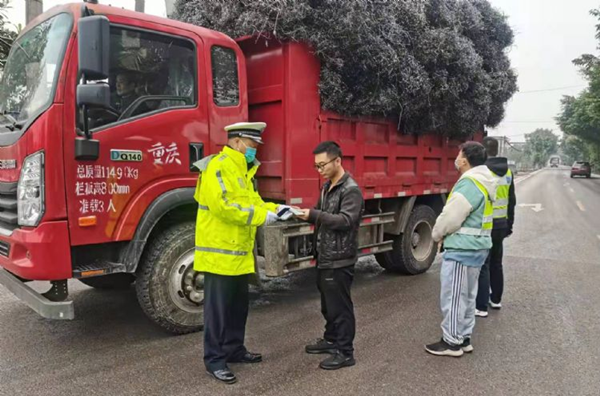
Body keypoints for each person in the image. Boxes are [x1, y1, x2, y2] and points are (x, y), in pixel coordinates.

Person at [193, 122, 291, 384]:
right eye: (252, 145)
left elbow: (253, 203)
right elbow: (225, 206)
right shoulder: (218, 166)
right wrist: (263, 216)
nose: (255, 150)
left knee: (238, 307)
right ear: (236, 142)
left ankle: (234, 349)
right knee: (218, 312)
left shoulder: (244, 172)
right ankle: (214, 360)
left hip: (238, 256)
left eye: (256, 146)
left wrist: (277, 209)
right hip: (219, 256)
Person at [425, 141, 497, 357]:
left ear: (464, 160)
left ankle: (451, 342)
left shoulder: (469, 183)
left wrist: (437, 234)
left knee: (454, 297)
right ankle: (464, 338)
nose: (456, 157)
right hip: (477, 248)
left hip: (462, 249)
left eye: (459, 154)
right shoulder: (485, 181)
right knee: (467, 297)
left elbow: (451, 217)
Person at [296, 141, 364, 370]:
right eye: (316, 166)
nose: (320, 169)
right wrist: (302, 214)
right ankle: (331, 339)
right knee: (328, 304)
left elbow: (346, 221)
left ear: (338, 161)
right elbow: (321, 215)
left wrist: (314, 214)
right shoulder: (327, 187)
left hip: (340, 258)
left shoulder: (350, 190)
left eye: (323, 164)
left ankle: (345, 352)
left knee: (340, 307)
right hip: (325, 255)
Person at [475, 137, 516, 317]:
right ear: (496, 149)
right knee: (496, 263)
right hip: (501, 225)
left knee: (483, 264)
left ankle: (481, 307)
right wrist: (509, 224)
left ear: (483, 151)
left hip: (485, 225)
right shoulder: (507, 172)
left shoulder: (481, 172)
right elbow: (511, 201)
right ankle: (496, 300)